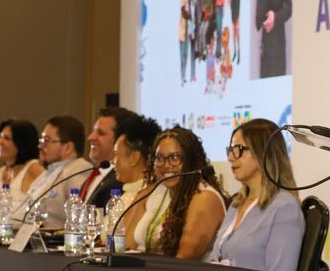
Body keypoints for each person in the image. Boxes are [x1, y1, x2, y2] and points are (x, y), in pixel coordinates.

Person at [210, 119, 304, 270]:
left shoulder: (284, 208)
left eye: (238, 149)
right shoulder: (237, 203)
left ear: (263, 151)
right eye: (230, 150)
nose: (230, 157)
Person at [141, 127, 228, 259]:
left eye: (175, 157)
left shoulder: (205, 198)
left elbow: (184, 260)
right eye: (159, 158)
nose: (166, 165)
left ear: (191, 161)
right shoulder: (167, 194)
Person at [25, 115, 92, 229]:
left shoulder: (79, 170)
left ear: (68, 148)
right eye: (41, 140)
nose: (40, 145)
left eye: (47, 140)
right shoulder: (50, 171)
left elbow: (80, 221)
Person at [110, 115, 162, 249]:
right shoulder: (128, 193)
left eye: (116, 154)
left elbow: (124, 242)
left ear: (134, 158)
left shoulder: (148, 193)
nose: (112, 161)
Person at [81, 107, 141, 208]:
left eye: (100, 133)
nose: (90, 137)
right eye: (93, 131)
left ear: (120, 139)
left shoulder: (121, 180)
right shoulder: (96, 173)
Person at [179, 0, 191, 86]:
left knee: (187, 53)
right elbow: (182, 6)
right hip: (183, 21)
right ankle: (181, 76)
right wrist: (188, 14)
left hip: (190, 23)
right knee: (182, 52)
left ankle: (185, 75)